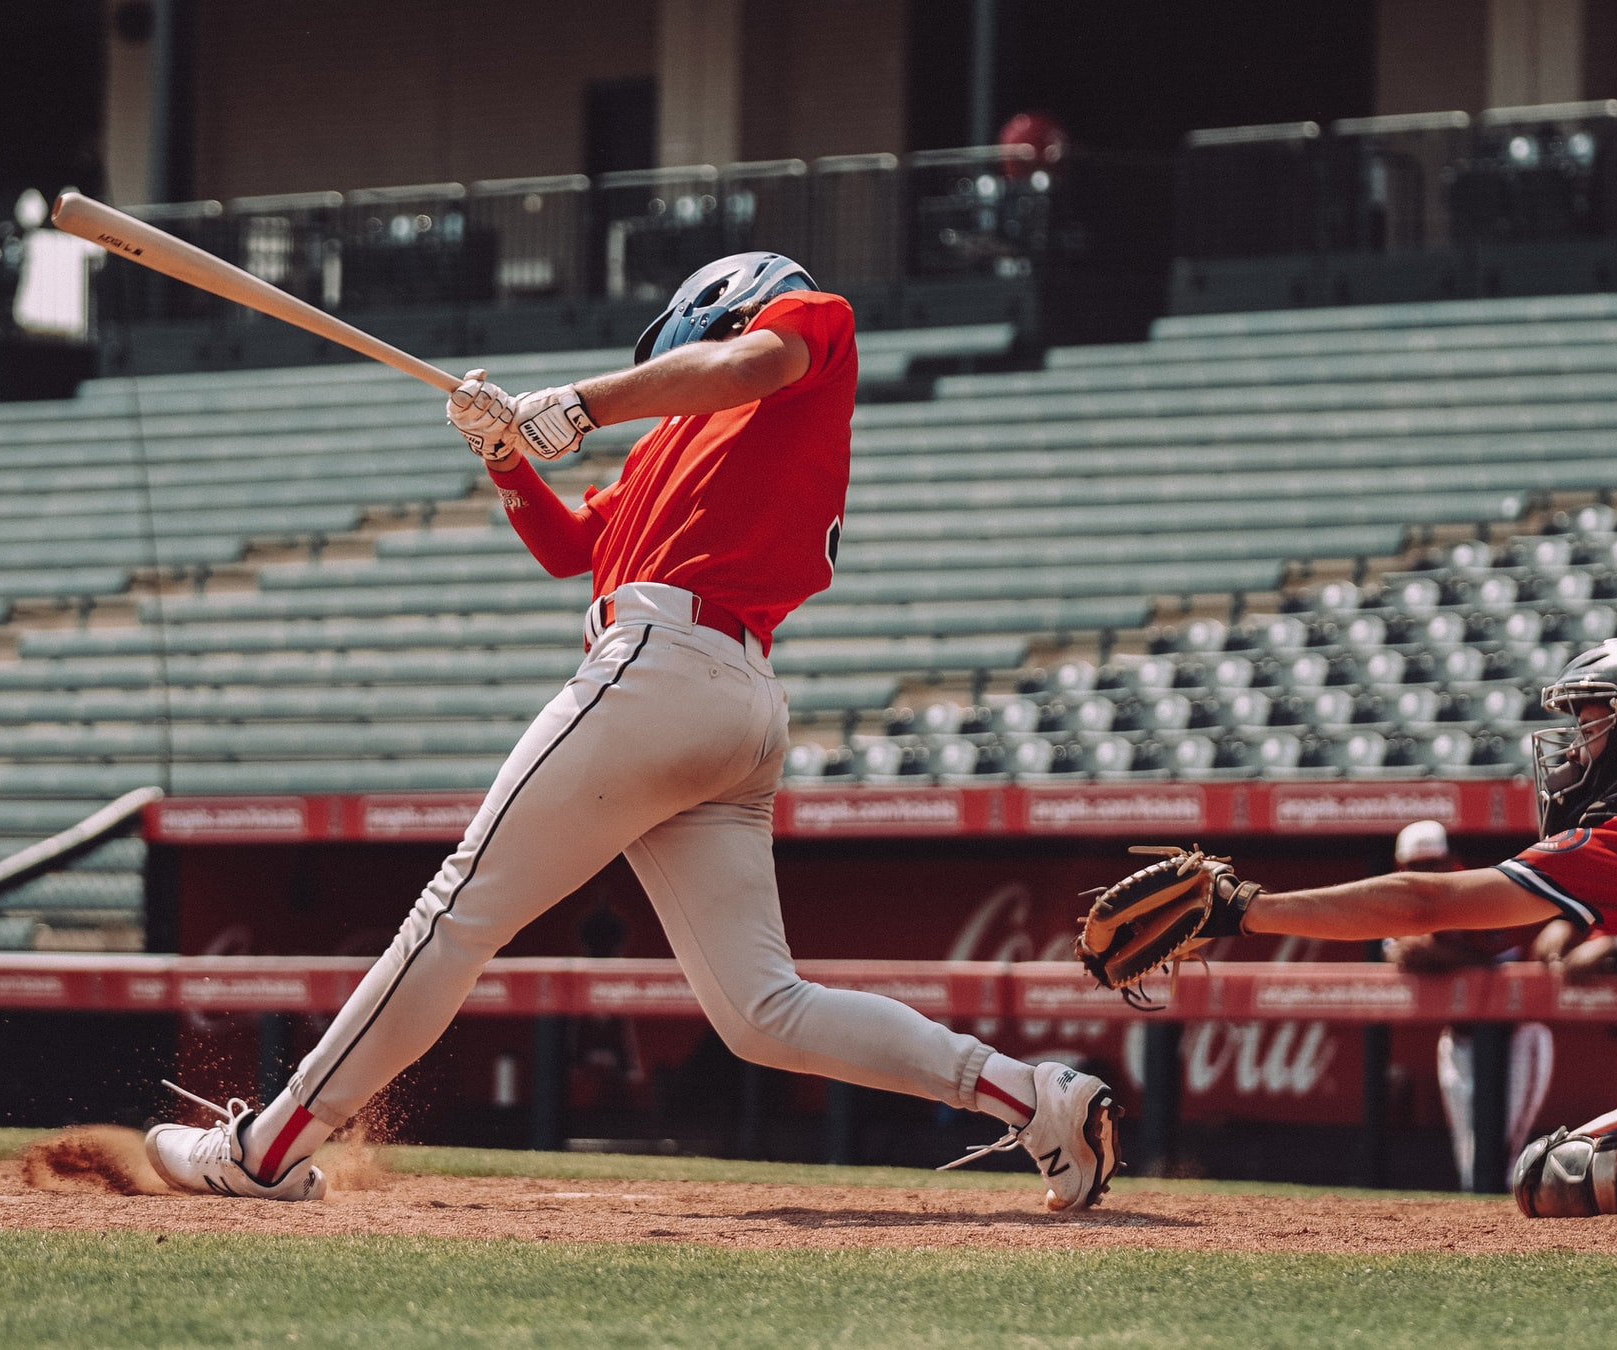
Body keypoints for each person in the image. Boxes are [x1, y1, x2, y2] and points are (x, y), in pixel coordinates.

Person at [143, 253, 1122, 1211]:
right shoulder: (673, 447)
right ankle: (1034, 1096)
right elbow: (572, 546)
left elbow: (742, 367)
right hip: (726, 705)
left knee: (456, 912)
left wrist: (578, 401)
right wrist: (501, 453)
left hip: (665, 673)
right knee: (763, 1012)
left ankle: (265, 1149)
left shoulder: (804, 324)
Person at [1115, 636, 1617, 1216]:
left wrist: (1248, 909)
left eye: (1594, 722)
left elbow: (1424, 905)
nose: (1576, 745)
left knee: (1559, 1171)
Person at [1380, 819, 1557, 1191]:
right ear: (1402, 869)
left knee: (1502, 1160)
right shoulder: (1397, 898)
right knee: (1470, 1163)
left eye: (1432, 865)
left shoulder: (1478, 890)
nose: (1424, 875)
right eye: (1415, 868)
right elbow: (1401, 952)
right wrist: (1441, 953)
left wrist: (1441, 953)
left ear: (1450, 863)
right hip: (1459, 1041)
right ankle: (1479, 1242)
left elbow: (1505, 964)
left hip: (1516, 1039)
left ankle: (1514, 1244)